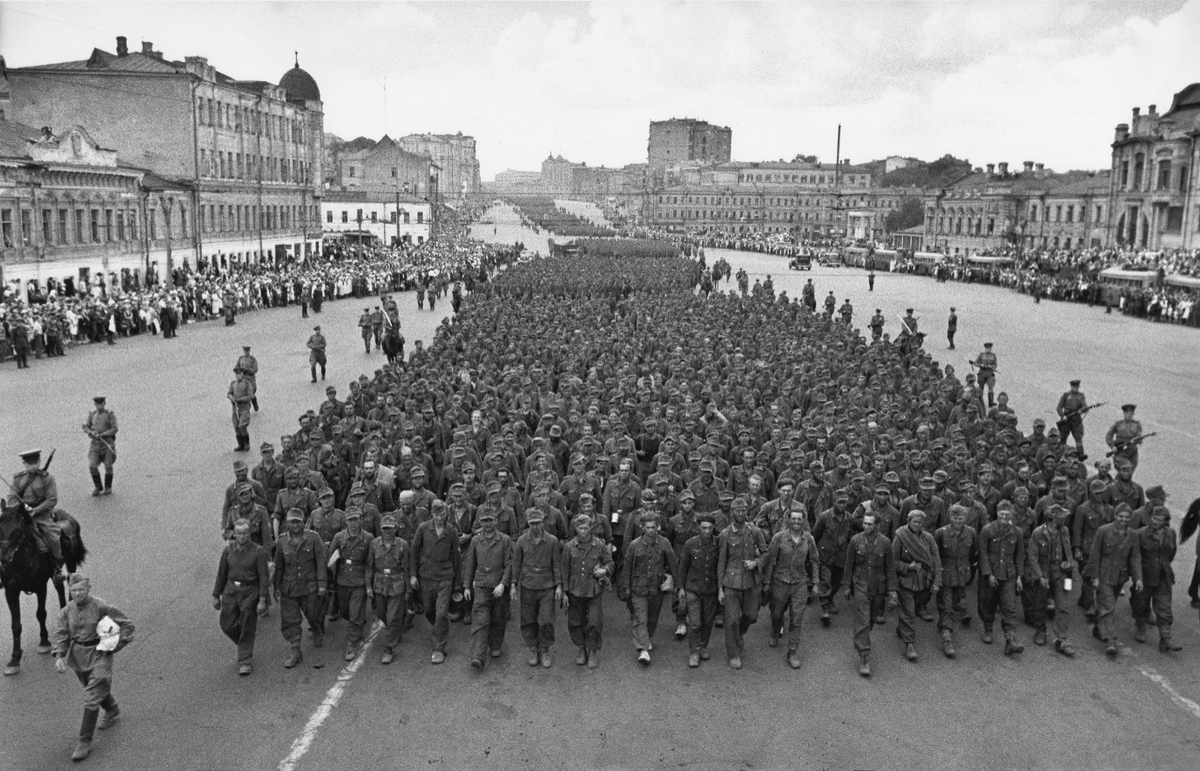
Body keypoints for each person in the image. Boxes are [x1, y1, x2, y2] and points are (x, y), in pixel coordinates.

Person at [51, 574, 135, 762]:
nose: (78, 593)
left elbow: (127, 625)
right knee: (93, 688)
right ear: (70, 591)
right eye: (74, 590)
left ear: (88, 589)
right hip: (78, 656)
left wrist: (117, 644)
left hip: (100, 654)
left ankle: (84, 741)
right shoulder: (66, 611)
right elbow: (61, 634)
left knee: (91, 696)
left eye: (81, 589)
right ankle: (112, 708)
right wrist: (58, 655)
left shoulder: (100, 606)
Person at [212, 518, 270, 675]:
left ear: (250, 533)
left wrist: (263, 599)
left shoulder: (258, 552)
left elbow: (264, 578)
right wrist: (216, 595)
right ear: (234, 534)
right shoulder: (228, 550)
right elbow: (221, 573)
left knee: (247, 625)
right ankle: (244, 643)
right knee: (227, 625)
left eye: (245, 533)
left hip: (249, 592)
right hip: (231, 590)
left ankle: (245, 660)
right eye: (239, 533)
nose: (242, 537)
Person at [763, 509, 819, 669]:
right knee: (776, 613)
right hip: (780, 581)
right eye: (793, 519)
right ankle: (775, 631)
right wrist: (766, 582)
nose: (796, 522)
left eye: (799, 519)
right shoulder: (779, 537)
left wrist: (815, 582)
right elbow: (770, 560)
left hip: (799, 583)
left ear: (803, 520)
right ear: (789, 519)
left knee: (797, 618)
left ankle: (792, 652)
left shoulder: (808, 539)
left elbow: (814, 560)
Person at [619, 511, 676, 665]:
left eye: (654, 527)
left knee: (652, 619)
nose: (651, 530)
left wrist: (674, 581)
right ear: (642, 527)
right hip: (638, 588)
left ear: (658, 527)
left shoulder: (664, 543)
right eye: (648, 527)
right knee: (640, 619)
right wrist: (626, 587)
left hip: (656, 588)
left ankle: (646, 638)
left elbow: (673, 564)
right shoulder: (634, 545)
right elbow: (627, 567)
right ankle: (643, 650)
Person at [274, 507, 328, 669]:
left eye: (298, 521)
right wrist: (276, 586)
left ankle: (317, 629)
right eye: (292, 522)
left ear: (303, 522)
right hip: (289, 587)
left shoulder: (313, 538)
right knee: (291, 620)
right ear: (287, 523)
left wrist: (322, 584)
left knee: (313, 614)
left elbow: (321, 562)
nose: (295, 525)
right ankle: (295, 650)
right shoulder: (282, 541)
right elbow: (279, 565)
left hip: (309, 586)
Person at [717, 496, 767, 669]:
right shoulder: (725, 534)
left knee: (751, 616)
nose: (741, 513)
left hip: (751, 582)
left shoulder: (754, 531)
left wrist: (756, 562)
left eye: (744, 510)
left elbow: (765, 553)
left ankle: (739, 634)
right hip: (731, 583)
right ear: (731, 513)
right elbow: (721, 562)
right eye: (737, 510)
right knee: (731, 620)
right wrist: (720, 589)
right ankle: (733, 655)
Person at [1086, 505, 1142, 656]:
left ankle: (1099, 627)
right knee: (1108, 607)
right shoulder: (1103, 531)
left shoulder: (1132, 535)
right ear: (1115, 516)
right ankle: (1110, 640)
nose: (1123, 520)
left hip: (1121, 577)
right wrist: (1095, 576)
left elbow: (1135, 557)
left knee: (1107, 605)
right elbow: (1095, 554)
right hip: (1104, 575)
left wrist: (1138, 578)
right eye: (1121, 516)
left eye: (1126, 517)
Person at [410, 499, 461, 664]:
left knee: (441, 613)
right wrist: (413, 575)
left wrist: (457, 584)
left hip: (445, 577)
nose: (440, 518)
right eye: (437, 514)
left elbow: (456, 557)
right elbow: (414, 551)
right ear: (432, 514)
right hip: (426, 576)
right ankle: (440, 628)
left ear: (447, 514)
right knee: (429, 610)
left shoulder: (451, 531)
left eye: (443, 514)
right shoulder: (423, 528)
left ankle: (438, 648)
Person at [844, 513, 896, 677]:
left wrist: (893, 591)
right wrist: (846, 585)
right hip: (860, 584)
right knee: (863, 619)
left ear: (877, 526)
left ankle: (862, 636)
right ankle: (864, 656)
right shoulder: (855, 541)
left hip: (878, 587)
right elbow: (849, 564)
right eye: (865, 524)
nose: (866, 527)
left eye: (870, 524)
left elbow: (890, 568)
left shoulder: (886, 543)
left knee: (871, 619)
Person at [462, 508, 513, 669]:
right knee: (480, 620)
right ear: (480, 522)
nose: (487, 524)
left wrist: (503, 584)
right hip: (482, 585)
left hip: (498, 585)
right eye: (484, 521)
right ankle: (478, 655)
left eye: (490, 520)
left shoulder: (505, 540)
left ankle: (495, 644)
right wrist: (467, 587)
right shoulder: (476, 541)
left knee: (498, 618)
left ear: (496, 521)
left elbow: (509, 565)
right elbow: (470, 564)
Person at [561, 513, 614, 669]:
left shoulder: (599, 545)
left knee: (594, 622)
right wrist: (564, 592)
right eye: (580, 528)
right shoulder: (569, 546)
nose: (583, 531)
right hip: (574, 590)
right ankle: (581, 648)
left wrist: (604, 571)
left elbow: (610, 562)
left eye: (586, 527)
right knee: (575, 621)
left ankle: (592, 651)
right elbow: (564, 570)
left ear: (591, 528)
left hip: (593, 589)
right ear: (576, 528)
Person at [512, 509, 563, 668]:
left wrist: (559, 585)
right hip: (528, 585)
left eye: (538, 523)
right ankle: (533, 649)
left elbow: (556, 564)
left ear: (543, 523)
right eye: (532, 523)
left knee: (546, 620)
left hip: (547, 586)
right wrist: (513, 584)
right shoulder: (521, 541)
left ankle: (544, 649)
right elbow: (516, 564)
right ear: (528, 523)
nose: (534, 526)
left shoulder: (552, 541)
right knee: (528, 620)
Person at [7, 448, 66, 580]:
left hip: (42, 516)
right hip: (22, 515)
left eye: (35, 462)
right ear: (24, 464)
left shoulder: (47, 478)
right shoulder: (18, 478)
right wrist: (20, 508)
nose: (33, 466)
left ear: (39, 461)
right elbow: (12, 497)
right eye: (29, 463)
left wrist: (36, 510)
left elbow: (52, 499)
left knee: (53, 539)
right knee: (5, 535)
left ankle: (57, 568)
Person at [1026, 504, 1077, 656]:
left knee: (1063, 606)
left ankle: (1061, 639)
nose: (1064, 519)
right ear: (1053, 517)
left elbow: (1068, 551)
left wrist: (1070, 564)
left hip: (1062, 574)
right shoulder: (1038, 533)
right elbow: (1032, 557)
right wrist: (1040, 576)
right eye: (1062, 516)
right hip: (1044, 572)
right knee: (1039, 604)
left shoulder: (1064, 531)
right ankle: (1041, 630)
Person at [892, 510, 941, 662]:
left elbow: (936, 560)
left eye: (920, 522)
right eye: (914, 521)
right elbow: (892, 561)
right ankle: (909, 644)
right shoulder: (900, 536)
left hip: (924, 581)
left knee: (914, 608)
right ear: (908, 521)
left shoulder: (928, 538)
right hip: (906, 581)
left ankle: (902, 629)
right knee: (909, 612)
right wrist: (908, 567)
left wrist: (937, 581)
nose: (917, 525)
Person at [978, 506, 1026, 656]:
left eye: (1007, 513)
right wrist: (988, 574)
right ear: (996, 514)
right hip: (991, 573)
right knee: (988, 602)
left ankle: (1010, 640)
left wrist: (1019, 577)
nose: (1005, 516)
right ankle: (988, 628)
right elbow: (983, 553)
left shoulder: (1017, 532)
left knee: (1009, 606)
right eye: (1002, 513)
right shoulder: (987, 530)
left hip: (1009, 575)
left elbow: (1019, 555)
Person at [1133, 507, 1182, 653]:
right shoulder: (1140, 534)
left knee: (1164, 606)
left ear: (1165, 522)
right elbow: (1135, 556)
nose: (1155, 522)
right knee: (1141, 603)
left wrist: (1164, 566)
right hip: (1145, 575)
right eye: (1154, 518)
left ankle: (1165, 639)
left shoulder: (1170, 533)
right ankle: (1140, 627)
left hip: (1163, 575)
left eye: (1159, 520)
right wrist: (1137, 576)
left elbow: (1171, 553)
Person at [365, 513, 411, 665]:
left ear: (395, 529)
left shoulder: (403, 545)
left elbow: (406, 569)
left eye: (390, 529)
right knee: (382, 615)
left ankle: (388, 648)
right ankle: (399, 625)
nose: (387, 532)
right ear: (381, 529)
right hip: (380, 584)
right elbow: (369, 566)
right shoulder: (374, 544)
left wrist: (408, 590)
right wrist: (368, 586)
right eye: (385, 529)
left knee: (392, 618)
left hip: (397, 585)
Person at [676, 511, 720, 667]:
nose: (707, 531)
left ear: (713, 528)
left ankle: (703, 646)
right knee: (694, 622)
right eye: (704, 528)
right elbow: (682, 567)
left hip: (711, 589)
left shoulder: (718, 543)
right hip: (693, 588)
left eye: (709, 528)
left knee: (708, 621)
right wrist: (680, 588)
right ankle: (694, 652)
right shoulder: (690, 544)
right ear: (699, 527)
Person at [328, 507, 373, 661]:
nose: (353, 523)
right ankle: (358, 623)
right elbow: (330, 559)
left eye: (356, 519)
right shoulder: (339, 537)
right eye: (350, 520)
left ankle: (351, 643)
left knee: (354, 614)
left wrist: (368, 585)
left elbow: (369, 564)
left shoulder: (368, 538)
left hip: (359, 582)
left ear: (361, 519)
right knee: (345, 612)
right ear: (346, 521)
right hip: (342, 581)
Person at [934, 504, 977, 658]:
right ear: (949, 518)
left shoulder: (971, 533)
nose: (958, 521)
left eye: (960, 518)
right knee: (946, 606)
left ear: (965, 518)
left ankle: (943, 624)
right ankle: (947, 638)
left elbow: (973, 553)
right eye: (954, 518)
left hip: (962, 575)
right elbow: (935, 554)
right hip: (945, 574)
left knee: (955, 602)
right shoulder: (940, 533)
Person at [82, 396, 118, 496]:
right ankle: (98, 486)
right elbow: (85, 426)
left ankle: (108, 486)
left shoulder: (109, 414)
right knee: (92, 465)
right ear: (95, 404)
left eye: (101, 404)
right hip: (95, 444)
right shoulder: (92, 415)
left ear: (104, 403)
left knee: (108, 466)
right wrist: (91, 432)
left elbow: (114, 429)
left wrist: (103, 434)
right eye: (97, 404)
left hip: (107, 444)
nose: (99, 406)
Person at [1105, 404, 1144, 472]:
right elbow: (1109, 436)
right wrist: (1112, 446)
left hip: (1132, 452)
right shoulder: (1118, 424)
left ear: (1133, 414)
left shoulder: (1137, 425)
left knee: (1129, 473)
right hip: (1120, 451)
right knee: (1126, 468)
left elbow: (1139, 436)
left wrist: (1135, 440)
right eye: (1127, 413)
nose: (1129, 415)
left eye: (1131, 413)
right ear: (1124, 413)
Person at [1055, 380, 1089, 457]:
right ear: (1071, 387)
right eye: (1074, 387)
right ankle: (1060, 453)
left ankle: (1080, 454)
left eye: (1077, 387)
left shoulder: (1081, 396)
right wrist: (1062, 415)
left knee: (1078, 437)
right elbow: (1059, 408)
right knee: (1063, 437)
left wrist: (1081, 410)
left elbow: (1085, 406)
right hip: (1067, 418)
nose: (1075, 388)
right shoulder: (1065, 395)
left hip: (1076, 419)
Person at [228, 367, 254, 452]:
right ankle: (240, 444)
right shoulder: (233, 384)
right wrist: (231, 397)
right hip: (235, 408)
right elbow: (229, 393)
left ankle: (247, 444)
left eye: (239, 374)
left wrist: (240, 399)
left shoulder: (247, 384)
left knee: (242, 425)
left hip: (244, 407)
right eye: (236, 374)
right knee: (236, 426)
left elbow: (250, 396)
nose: (238, 376)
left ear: (242, 375)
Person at [973, 342, 998, 408]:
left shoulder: (993, 355)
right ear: (985, 348)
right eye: (987, 348)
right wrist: (981, 365)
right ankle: (980, 402)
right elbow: (975, 363)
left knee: (991, 388)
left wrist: (990, 366)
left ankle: (991, 402)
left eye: (989, 348)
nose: (988, 349)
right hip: (982, 373)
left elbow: (995, 365)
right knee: (981, 388)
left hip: (990, 373)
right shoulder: (981, 355)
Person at [235, 346, 260, 411]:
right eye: (245, 351)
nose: (246, 352)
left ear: (249, 351)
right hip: (243, 380)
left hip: (251, 380)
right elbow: (236, 368)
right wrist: (239, 372)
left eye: (247, 351)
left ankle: (254, 403)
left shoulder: (252, 359)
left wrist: (248, 370)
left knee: (251, 393)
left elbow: (255, 369)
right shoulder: (240, 359)